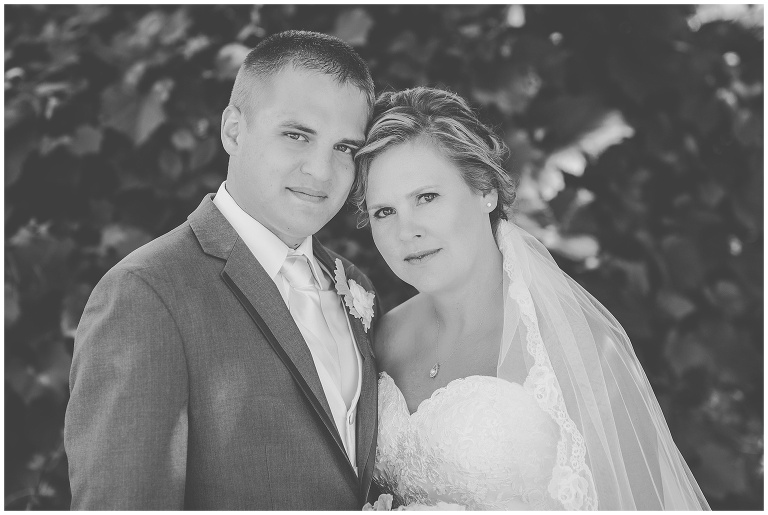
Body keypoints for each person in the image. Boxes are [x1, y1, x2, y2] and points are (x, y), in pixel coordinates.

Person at [353, 87, 710, 510]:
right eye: (384, 212)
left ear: (485, 190)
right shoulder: (381, 336)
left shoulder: (577, 348)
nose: (406, 231)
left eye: (426, 198)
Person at [65, 30, 380, 510]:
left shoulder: (353, 283)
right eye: (297, 135)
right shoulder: (146, 293)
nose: (321, 171)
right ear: (233, 130)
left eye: (344, 148)